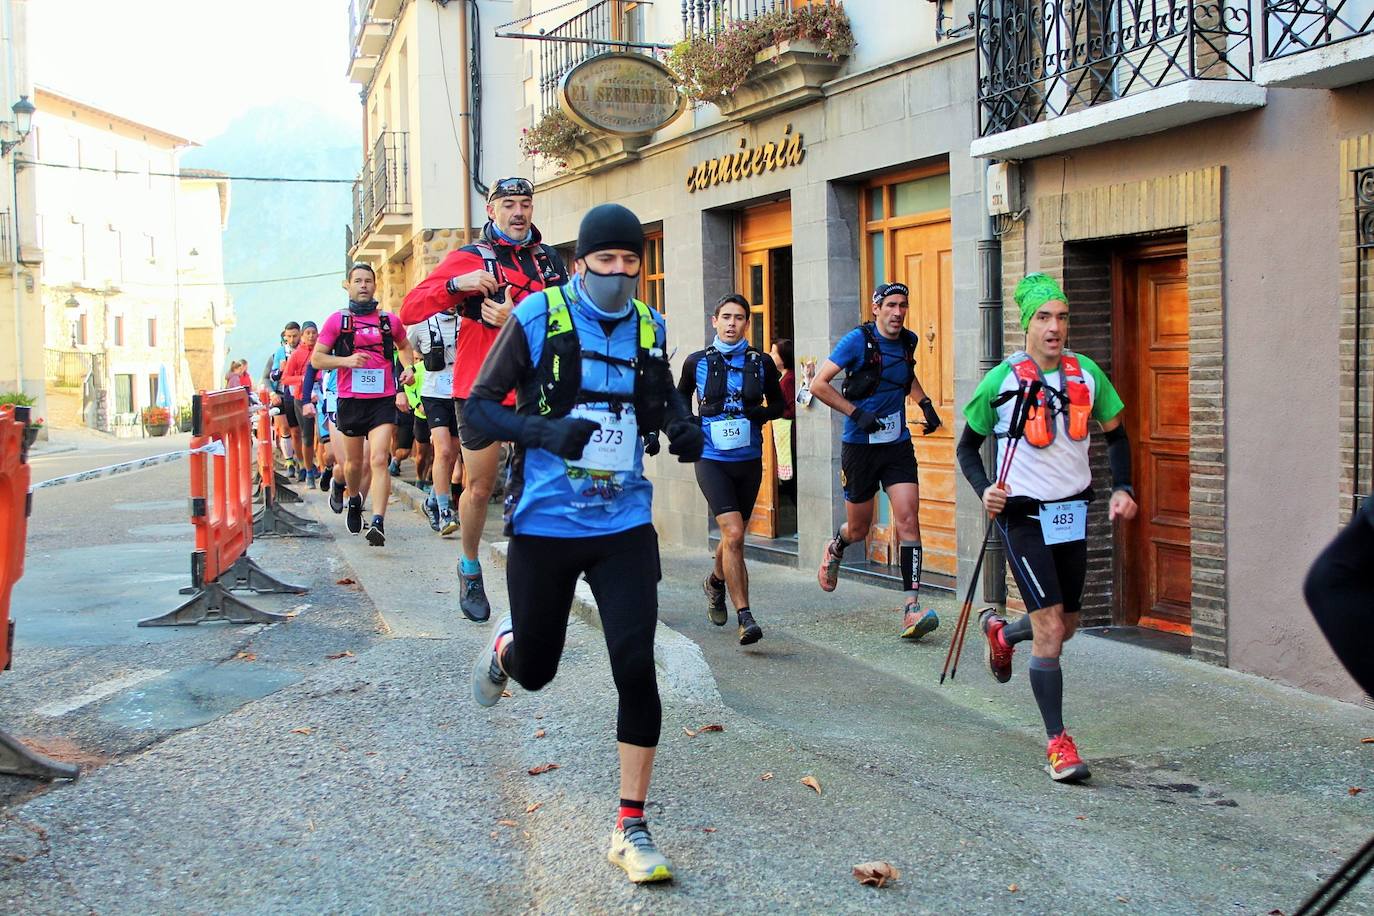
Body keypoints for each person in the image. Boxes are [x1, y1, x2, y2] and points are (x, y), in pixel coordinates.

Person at [464, 204, 703, 885]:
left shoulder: (651, 326)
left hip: (624, 525)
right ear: (581, 263)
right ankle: (508, 649)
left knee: (636, 663)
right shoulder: (539, 316)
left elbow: (657, 401)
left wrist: (683, 429)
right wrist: (543, 434)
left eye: (632, 261)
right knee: (538, 670)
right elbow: (479, 410)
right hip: (546, 525)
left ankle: (631, 824)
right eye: (608, 261)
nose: (621, 273)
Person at [957, 272, 1137, 783]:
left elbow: (1117, 436)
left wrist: (1123, 487)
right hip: (1023, 517)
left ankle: (1000, 632)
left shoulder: (1087, 374)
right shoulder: (1002, 380)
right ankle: (1058, 743)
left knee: (1067, 626)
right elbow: (967, 449)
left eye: (1062, 317)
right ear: (1027, 324)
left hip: (1071, 514)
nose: (1055, 327)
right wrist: (985, 489)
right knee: (1052, 630)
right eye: (1044, 317)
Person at [400, 176, 569, 621]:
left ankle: (538, 575)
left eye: (526, 204)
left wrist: (520, 318)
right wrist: (458, 286)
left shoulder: (549, 262)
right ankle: (470, 566)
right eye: (509, 204)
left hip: (536, 387)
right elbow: (409, 311)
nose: (519, 212)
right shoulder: (469, 258)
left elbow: (571, 319)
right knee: (478, 487)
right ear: (491, 210)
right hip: (482, 388)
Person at [809, 282, 944, 640]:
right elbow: (819, 385)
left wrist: (925, 403)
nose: (898, 312)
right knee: (859, 528)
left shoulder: (908, 341)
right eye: (892, 305)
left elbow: (903, 374)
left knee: (908, 519)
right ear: (877, 308)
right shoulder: (856, 341)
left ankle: (911, 608)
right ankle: (836, 546)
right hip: (861, 446)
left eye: (903, 306)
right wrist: (855, 413)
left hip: (896, 444)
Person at [676, 294, 785, 645]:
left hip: (749, 460)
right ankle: (746, 617)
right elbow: (678, 401)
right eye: (726, 317)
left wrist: (763, 414)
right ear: (714, 321)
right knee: (735, 534)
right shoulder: (696, 362)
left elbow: (780, 405)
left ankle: (715, 582)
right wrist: (690, 424)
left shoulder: (761, 362)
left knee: (732, 535)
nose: (732, 323)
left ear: (746, 324)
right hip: (711, 459)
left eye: (739, 318)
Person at [311, 262, 417, 546]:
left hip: (382, 400)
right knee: (353, 465)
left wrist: (408, 370)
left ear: (374, 285)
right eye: (357, 280)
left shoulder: (388, 321)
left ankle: (379, 521)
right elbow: (317, 359)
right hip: (350, 400)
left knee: (380, 458)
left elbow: (405, 347)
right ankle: (354, 498)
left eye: (368, 280)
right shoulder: (338, 321)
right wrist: (346, 361)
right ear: (349, 285)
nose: (363, 285)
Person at [407, 305, 463, 536]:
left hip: (461, 391)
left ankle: (431, 500)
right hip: (433, 393)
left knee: (453, 453)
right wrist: (408, 370)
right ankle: (444, 511)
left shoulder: (466, 319)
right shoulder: (422, 322)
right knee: (442, 451)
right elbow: (403, 348)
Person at [282, 321, 320, 487]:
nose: (311, 336)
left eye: (314, 332)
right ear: (303, 336)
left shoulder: (323, 350)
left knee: (324, 435)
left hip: (323, 395)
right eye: (308, 333)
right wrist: (303, 379)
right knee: (307, 436)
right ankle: (309, 470)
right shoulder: (297, 354)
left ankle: (325, 467)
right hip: (301, 398)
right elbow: (285, 378)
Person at [263, 322, 302, 473]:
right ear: (284, 337)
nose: (292, 340)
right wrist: (272, 394)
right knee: (284, 428)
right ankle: (289, 462)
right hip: (280, 395)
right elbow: (266, 378)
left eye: (294, 336)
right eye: (289, 337)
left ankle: (302, 461)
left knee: (297, 430)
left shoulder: (305, 351)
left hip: (298, 394)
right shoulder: (277, 354)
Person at [770, 338, 797, 505]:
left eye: (774, 352)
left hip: (789, 436)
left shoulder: (789, 380)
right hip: (784, 434)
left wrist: (776, 411)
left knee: (791, 483)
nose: (771, 355)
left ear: (784, 356)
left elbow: (793, 409)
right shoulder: (784, 377)